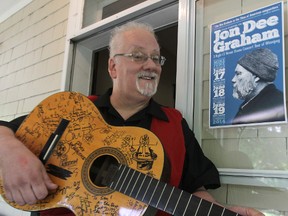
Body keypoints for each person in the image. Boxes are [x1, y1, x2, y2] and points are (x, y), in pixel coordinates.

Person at [0, 22, 263, 216]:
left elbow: (194, 190)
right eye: (138, 56)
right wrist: (11, 153)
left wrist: (224, 211)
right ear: (113, 67)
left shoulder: (175, 123)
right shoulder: (74, 110)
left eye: (156, 58)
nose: (151, 65)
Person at [232, 48, 286, 125]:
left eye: (238, 74)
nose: (233, 80)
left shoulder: (276, 104)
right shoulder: (250, 103)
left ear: (256, 76)